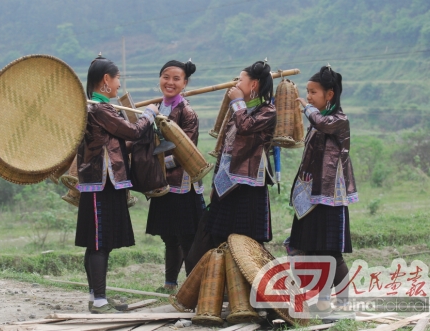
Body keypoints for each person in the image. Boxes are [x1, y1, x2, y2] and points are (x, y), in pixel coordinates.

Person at [75, 55, 159, 314]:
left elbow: (119, 141)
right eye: (117, 77)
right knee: (100, 242)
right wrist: (149, 114)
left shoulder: (97, 109)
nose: (119, 84)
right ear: (105, 81)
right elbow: (133, 132)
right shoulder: (100, 109)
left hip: (100, 182)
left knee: (97, 241)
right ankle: (99, 300)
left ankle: (96, 296)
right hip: (104, 181)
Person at [288, 65, 358, 315]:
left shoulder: (337, 120)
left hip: (331, 195)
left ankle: (342, 299)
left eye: (313, 92)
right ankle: (322, 299)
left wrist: (306, 109)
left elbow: (321, 122)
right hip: (311, 193)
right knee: (313, 248)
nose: (308, 97)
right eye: (307, 92)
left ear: (329, 95)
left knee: (330, 251)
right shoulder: (318, 119)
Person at [145, 59, 206, 292]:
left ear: (184, 83)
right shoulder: (156, 108)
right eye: (166, 77)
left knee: (187, 237)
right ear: (160, 79)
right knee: (169, 237)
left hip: (183, 184)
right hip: (163, 183)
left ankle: (193, 287)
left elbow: (185, 151)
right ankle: (170, 284)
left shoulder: (187, 112)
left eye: (176, 79)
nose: (170, 82)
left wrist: (158, 163)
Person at [205, 60, 276, 247]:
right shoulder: (238, 109)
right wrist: (214, 183)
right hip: (225, 182)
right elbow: (225, 148)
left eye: (240, 80)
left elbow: (246, 126)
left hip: (248, 185)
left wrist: (237, 100)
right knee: (219, 236)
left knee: (246, 240)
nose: (236, 84)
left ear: (253, 84)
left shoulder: (267, 111)